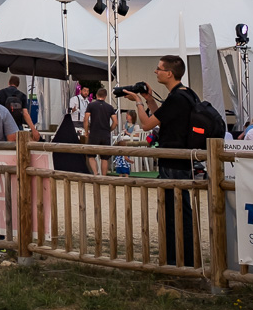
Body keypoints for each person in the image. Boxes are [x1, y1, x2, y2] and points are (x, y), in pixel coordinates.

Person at [127, 55, 195, 267]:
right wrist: (148, 99)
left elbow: (147, 125)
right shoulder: (186, 94)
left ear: (169, 73)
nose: (155, 72)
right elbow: (162, 118)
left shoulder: (177, 98)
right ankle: (178, 259)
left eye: (158, 69)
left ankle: (177, 261)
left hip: (173, 162)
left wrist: (137, 102)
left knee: (173, 213)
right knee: (174, 211)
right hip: (180, 161)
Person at [83, 88, 118, 175]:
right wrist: (109, 129)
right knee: (104, 158)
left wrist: (86, 131)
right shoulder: (110, 107)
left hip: (94, 133)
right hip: (105, 134)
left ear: (96, 95)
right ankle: (104, 176)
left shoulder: (91, 105)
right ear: (105, 96)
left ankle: (95, 173)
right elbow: (115, 122)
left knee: (91, 156)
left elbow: (86, 119)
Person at [0, 76, 41, 141]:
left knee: (4, 148)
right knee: (19, 147)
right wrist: (33, 130)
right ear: (18, 84)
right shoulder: (22, 95)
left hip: (3, 127)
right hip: (17, 126)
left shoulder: (1, 93)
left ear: (9, 83)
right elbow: (25, 113)